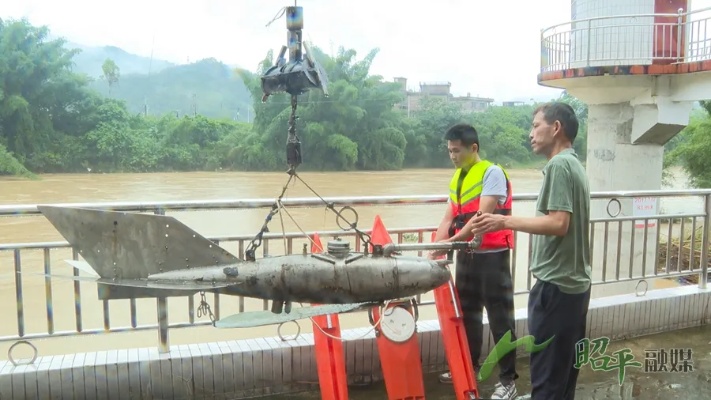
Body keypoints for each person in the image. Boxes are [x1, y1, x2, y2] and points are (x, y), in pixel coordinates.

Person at [466, 101, 591, 399]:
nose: (530, 133)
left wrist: (503, 220)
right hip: (574, 289)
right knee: (562, 379)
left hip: (555, 289)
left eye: (536, 126)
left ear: (556, 128)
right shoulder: (574, 163)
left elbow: (559, 223)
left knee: (546, 380)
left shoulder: (560, 165)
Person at [429, 123, 519, 400]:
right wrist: (436, 248)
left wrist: (450, 244)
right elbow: (449, 218)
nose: (453, 156)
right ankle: (469, 368)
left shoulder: (492, 173)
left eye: (457, 151)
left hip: (492, 257)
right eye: (449, 151)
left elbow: (480, 219)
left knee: (500, 319)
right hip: (467, 256)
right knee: (468, 316)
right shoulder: (458, 178)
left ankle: (508, 381)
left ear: (473, 148)